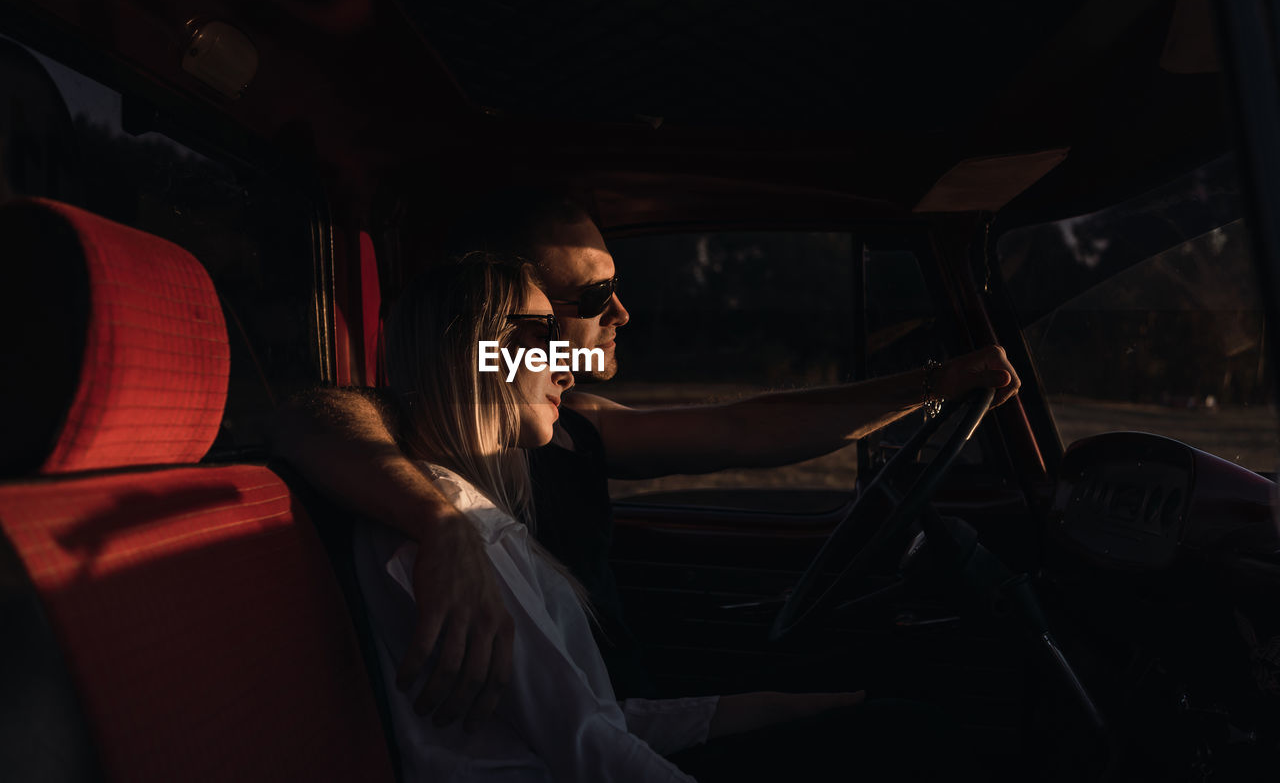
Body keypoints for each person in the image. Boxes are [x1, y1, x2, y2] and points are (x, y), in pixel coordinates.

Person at [269, 189, 1021, 728]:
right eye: (594, 294)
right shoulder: (430, 434)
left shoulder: (573, 426)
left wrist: (934, 383)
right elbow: (314, 415)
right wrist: (443, 524)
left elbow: (746, 430)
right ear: (503, 312)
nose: (621, 314)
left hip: (635, 711)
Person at [358, 251, 868, 781]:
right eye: (544, 332)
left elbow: (593, 722)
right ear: (480, 352)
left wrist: (767, 710)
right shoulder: (465, 527)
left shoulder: (469, 511)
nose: (566, 362)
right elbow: (591, 750)